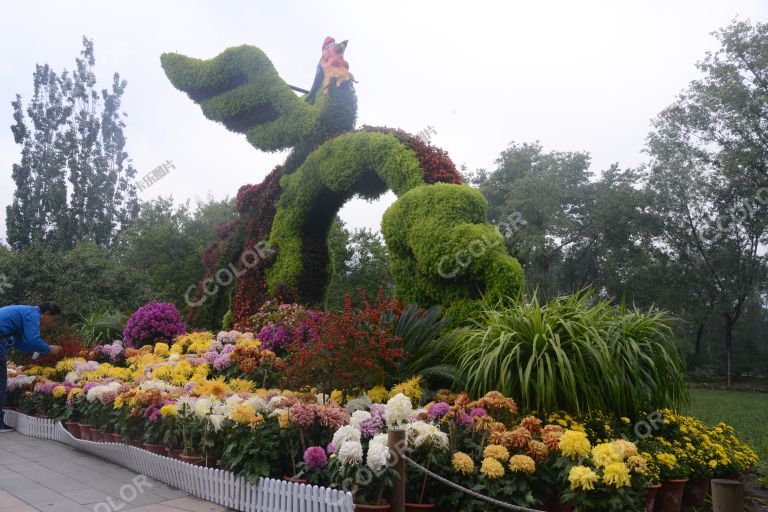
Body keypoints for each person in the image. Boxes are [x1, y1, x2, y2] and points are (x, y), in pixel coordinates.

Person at [0, 301, 63, 432]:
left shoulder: (25, 312)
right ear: (46, 314)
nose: (51, 323)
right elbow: (33, 340)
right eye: (53, 319)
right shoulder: (33, 314)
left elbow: (19, 343)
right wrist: (48, 349)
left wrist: (41, 350)